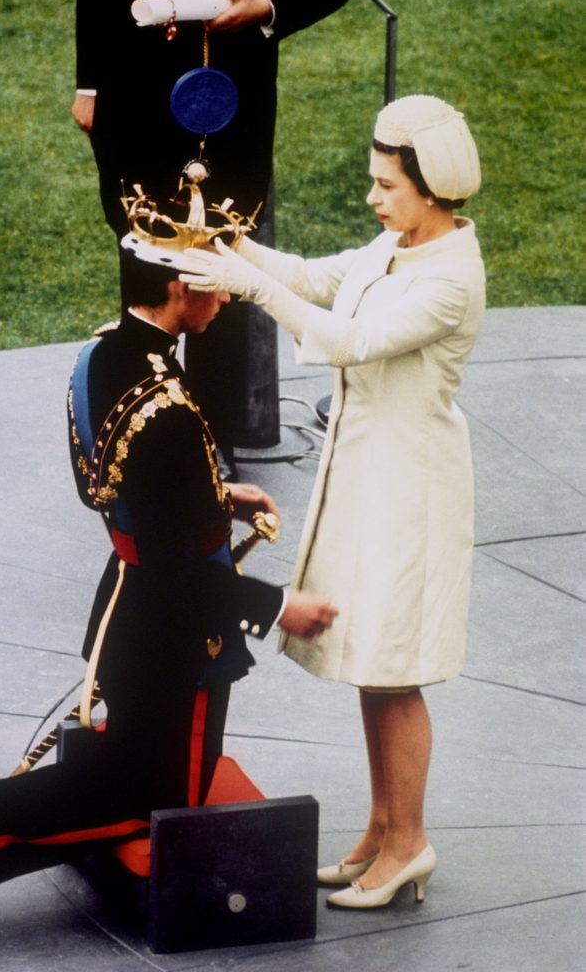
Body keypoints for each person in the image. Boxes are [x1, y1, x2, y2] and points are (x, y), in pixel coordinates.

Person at [0, 251, 337, 942]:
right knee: (159, 795)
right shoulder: (165, 402)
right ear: (176, 289)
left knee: (128, 768)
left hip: (126, 605)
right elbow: (181, 568)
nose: (224, 302)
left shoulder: (101, 355)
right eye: (213, 289)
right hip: (177, 632)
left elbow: (132, 492)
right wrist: (279, 606)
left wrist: (215, 498)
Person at [179, 94, 486, 909]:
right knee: (370, 668)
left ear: (430, 190)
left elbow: (344, 341)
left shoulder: (451, 277)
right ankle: (382, 833)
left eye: (387, 185)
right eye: (375, 182)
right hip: (368, 472)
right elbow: (318, 279)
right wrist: (236, 246)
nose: (373, 199)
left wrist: (241, 282)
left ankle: (409, 843)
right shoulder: (399, 243)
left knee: (395, 668)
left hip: (410, 486)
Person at [71, 0, 356, 476]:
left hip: (231, 97)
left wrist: (268, 10)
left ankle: (209, 443)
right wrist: (88, 83)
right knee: (145, 257)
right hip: (133, 88)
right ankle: (136, 429)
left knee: (225, 264)